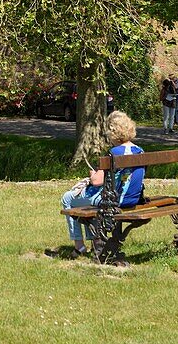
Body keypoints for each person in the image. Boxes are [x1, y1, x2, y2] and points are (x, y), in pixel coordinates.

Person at [60, 111, 146, 258]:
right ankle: (95, 243)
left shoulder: (115, 153)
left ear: (113, 132)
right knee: (90, 200)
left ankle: (79, 246)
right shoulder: (140, 151)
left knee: (67, 198)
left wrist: (92, 174)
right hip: (133, 198)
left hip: (114, 200)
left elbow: (97, 181)